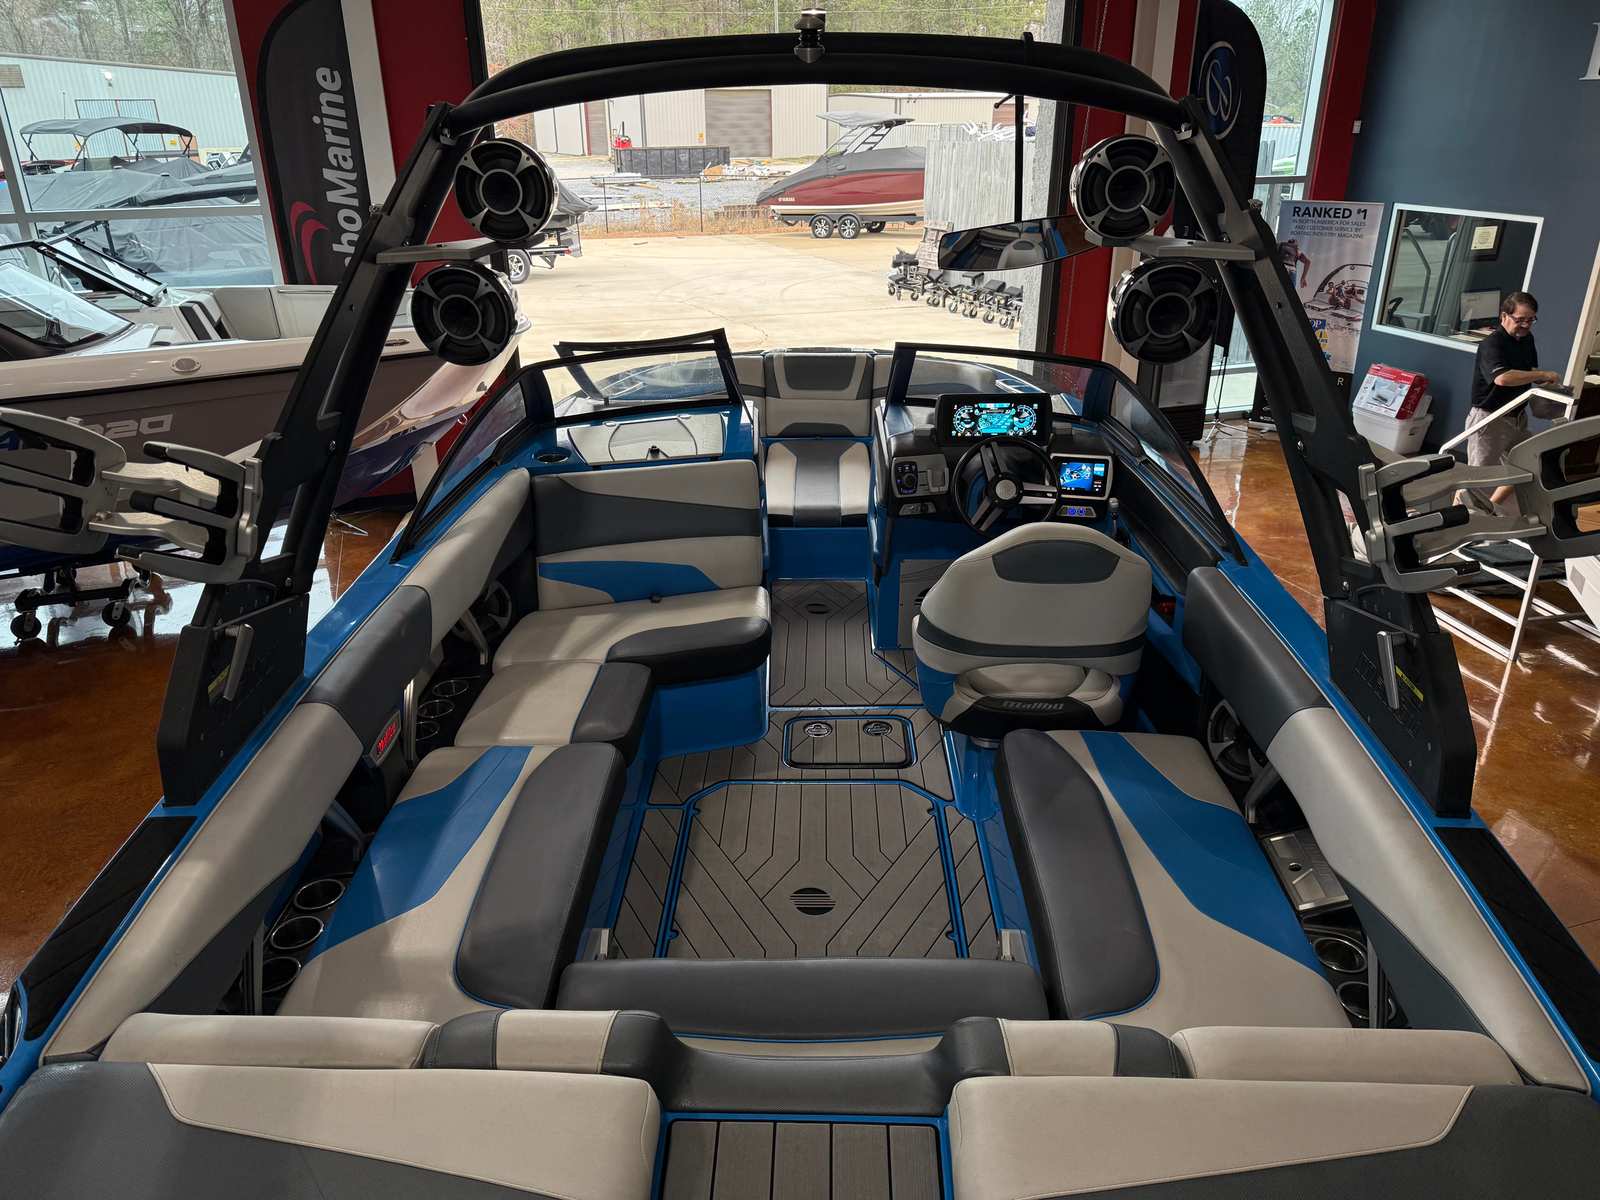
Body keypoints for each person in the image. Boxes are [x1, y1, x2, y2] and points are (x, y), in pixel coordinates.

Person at [1464, 291, 1562, 512]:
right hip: (1490, 418)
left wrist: (1547, 381)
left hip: (1517, 417)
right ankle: (1457, 520)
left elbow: (1528, 369)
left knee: (1528, 465)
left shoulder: (1527, 339)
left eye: (1531, 319)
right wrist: (1541, 374)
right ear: (1504, 316)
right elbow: (1503, 378)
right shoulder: (1492, 344)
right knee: (1475, 479)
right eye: (1520, 320)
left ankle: (1491, 509)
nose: (1526, 325)